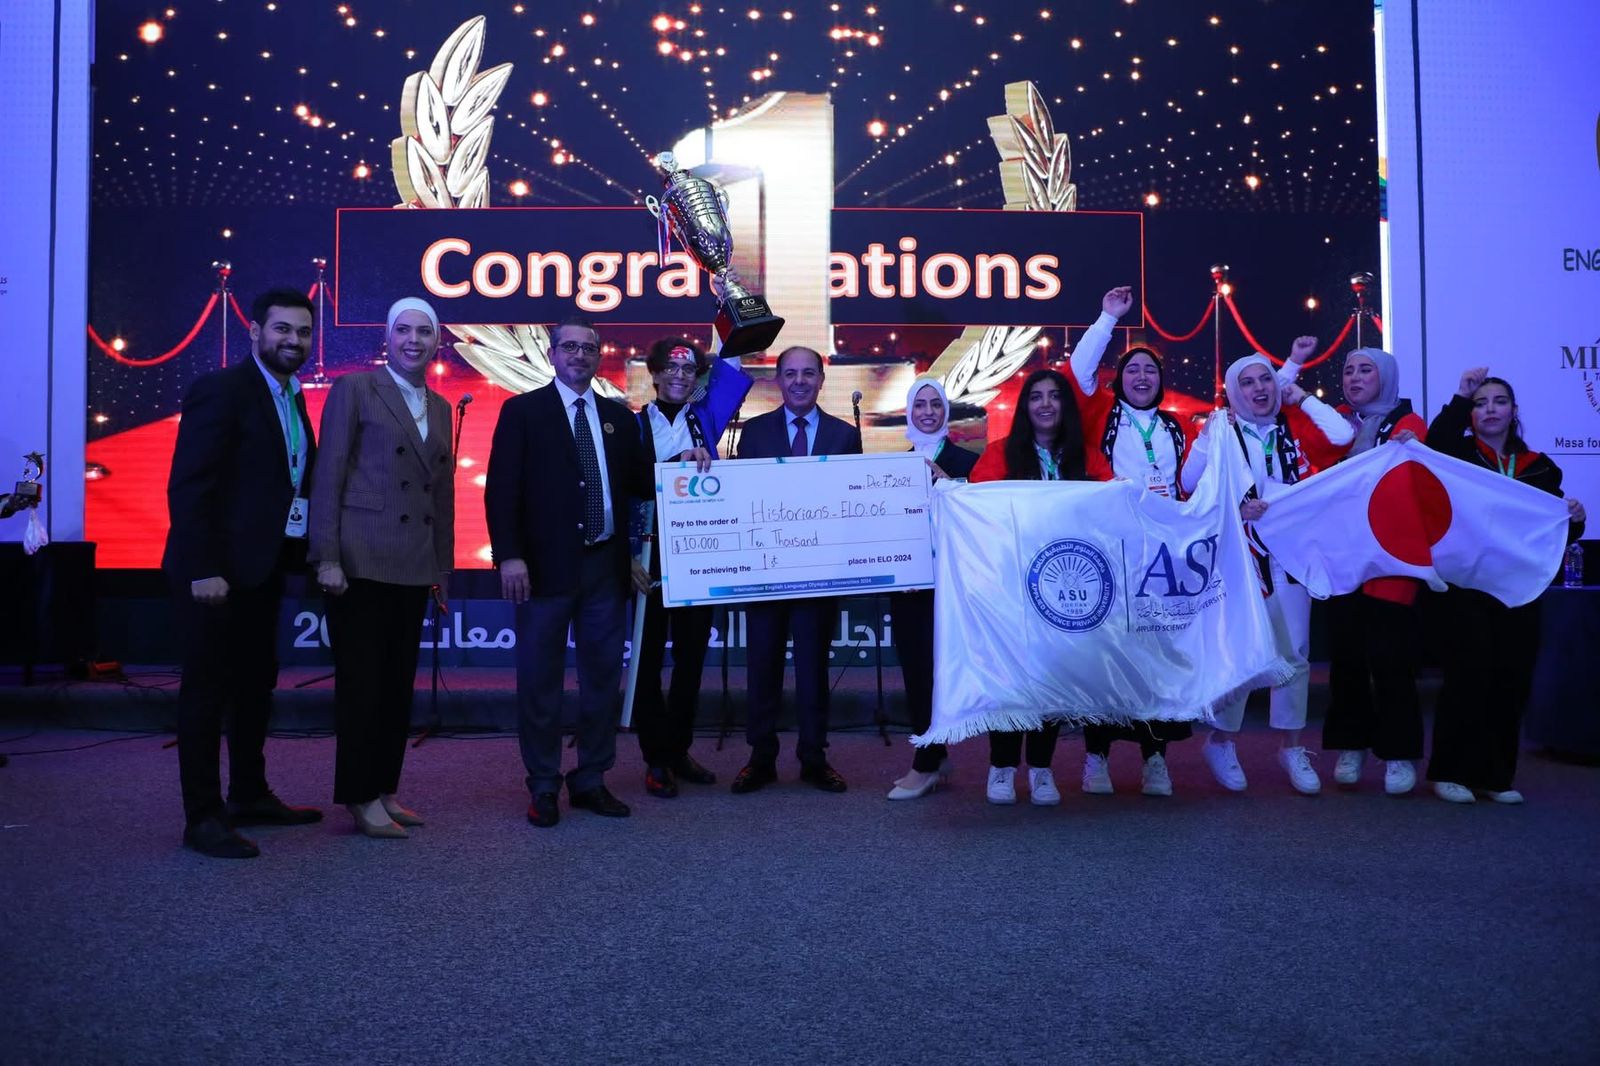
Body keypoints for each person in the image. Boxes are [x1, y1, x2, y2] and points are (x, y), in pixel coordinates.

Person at [162, 287, 323, 858]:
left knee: (255, 687)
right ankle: (203, 818)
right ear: (255, 332)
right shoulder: (222, 390)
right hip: (215, 577)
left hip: (262, 571)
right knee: (207, 694)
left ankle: (249, 794)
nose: (293, 340)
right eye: (282, 329)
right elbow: (190, 486)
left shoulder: (292, 396)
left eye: (303, 332)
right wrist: (204, 568)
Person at [485, 314, 651, 827]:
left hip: (604, 567)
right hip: (542, 569)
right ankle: (543, 784)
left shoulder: (618, 418)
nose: (580, 355)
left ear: (599, 356)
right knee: (541, 681)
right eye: (570, 347)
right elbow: (502, 489)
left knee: (602, 678)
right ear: (552, 354)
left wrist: (687, 460)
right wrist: (509, 555)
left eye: (588, 348)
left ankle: (591, 778)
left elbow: (640, 486)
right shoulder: (522, 411)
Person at [309, 297, 455, 838]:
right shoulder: (355, 388)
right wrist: (326, 556)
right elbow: (328, 474)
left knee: (397, 689)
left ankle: (385, 789)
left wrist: (442, 569)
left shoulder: (440, 406)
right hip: (361, 560)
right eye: (404, 330)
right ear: (387, 337)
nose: (414, 340)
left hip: (414, 564)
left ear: (436, 341)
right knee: (362, 689)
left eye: (424, 332)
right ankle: (359, 795)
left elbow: (441, 497)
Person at [1180, 347, 1354, 795]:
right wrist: (1234, 503)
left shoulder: (1291, 426)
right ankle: (1222, 741)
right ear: (1233, 392)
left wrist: (1303, 398)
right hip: (1242, 556)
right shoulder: (1222, 430)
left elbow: (1342, 436)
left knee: (1295, 651)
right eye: (1248, 382)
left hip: (1292, 554)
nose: (1259, 389)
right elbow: (1189, 485)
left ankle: (1291, 746)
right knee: (1244, 648)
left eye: (1265, 380)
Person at [1424, 367, 1587, 804]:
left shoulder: (1541, 468)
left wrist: (1576, 519)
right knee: (1467, 675)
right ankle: (1449, 772)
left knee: (1510, 678)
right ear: (1471, 414)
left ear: (1514, 411)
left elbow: (1552, 532)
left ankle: (1495, 776)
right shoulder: (1458, 456)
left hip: (1519, 590)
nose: (1490, 410)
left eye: (1499, 402)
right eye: (1481, 404)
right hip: (1467, 585)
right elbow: (1433, 441)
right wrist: (1461, 394)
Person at [1067, 286, 1201, 797]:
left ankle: (1154, 758)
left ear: (1160, 380)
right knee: (1106, 654)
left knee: (1155, 658)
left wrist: (1212, 445)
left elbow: (1187, 484)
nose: (1142, 377)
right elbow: (1080, 371)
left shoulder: (1175, 426)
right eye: (1132, 370)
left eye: (1150, 370)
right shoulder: (1103, 412)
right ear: (1119, 379)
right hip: (1111, 549)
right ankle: (1096, 757)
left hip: (1161, 557)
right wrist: (1107, 318)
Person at [970, 368, 1114, 805]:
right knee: (1011, 677)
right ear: (1024, 406)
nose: (1046, 404)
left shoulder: (1089, 459)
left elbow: (1112, 515)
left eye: (1054, 396)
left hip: (1066, 592)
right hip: (1011, 589)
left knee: (1051, 676)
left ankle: (1041, 768)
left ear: (1066, 406)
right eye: (1036, 397)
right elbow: (977, 514)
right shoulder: (998, 454)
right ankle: (1001, 766)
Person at [730, 345, 863, 794]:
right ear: (778, 380)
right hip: (766, 573)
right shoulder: (753, 433)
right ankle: (760, 758)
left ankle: (813, 757)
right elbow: (742, 501)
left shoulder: (845, 436)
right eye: (791, 374)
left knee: (812, 669)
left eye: (808, 373)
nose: (800, 382)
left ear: (822, 380)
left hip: (820, 574)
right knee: (762, 665)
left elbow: (853, 505)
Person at [630, 337, 752, 798]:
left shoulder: (705, 420)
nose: (680, 376)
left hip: (699, 558)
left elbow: (729, 367)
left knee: (691, 659)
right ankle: (655, 756)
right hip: (650, 555)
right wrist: (626, 556)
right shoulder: (633, 425)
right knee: (647, 661)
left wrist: (726, 314)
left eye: (688, 370)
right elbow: (624, 486)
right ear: (655, 373)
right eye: (671, 368)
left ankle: (677, 749)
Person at [1314, 348, 1429, 795]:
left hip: (1389, 563)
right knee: (1346, 659)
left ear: (1386, 377)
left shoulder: (1408, 424)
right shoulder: (1339, 425)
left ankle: (1398, 754)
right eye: (1348, 371)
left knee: (1390, 660)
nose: (1355, 378)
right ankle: (1352, 745)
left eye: (1366, 370)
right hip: (1343, 561)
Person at [886, 375, 979, 800]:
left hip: (955, 586)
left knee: (948, 672)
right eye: (920, 405)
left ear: (946, 410)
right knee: (917, 673)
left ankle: (928, 762)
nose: (928, 412)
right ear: (910, 412)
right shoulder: (893, 467)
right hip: (911, 589)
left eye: (935, 404)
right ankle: (931, 757)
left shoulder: (967, 462)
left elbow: (979, 519)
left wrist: (948, 484)